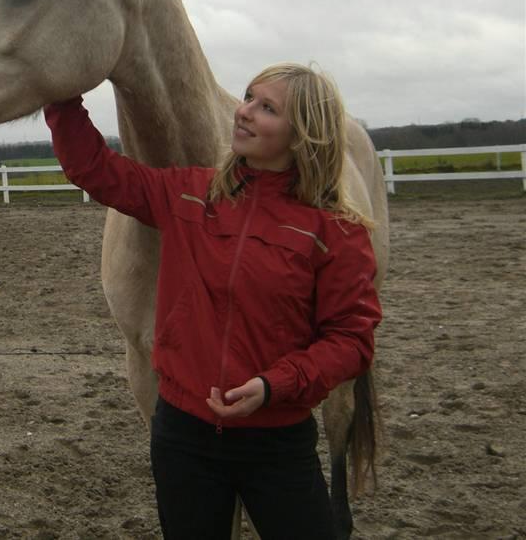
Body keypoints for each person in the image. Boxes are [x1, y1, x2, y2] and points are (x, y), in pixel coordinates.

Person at [43, 62, 382, 540]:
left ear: (304, 133)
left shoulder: (336, 232)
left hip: (277, 441)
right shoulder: (190, 194)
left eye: (267, 108)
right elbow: (95, 169)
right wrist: (59, 94)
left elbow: (352, 341)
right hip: (183, 436)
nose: (243, 113)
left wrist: (273, 386)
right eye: (248, 98)